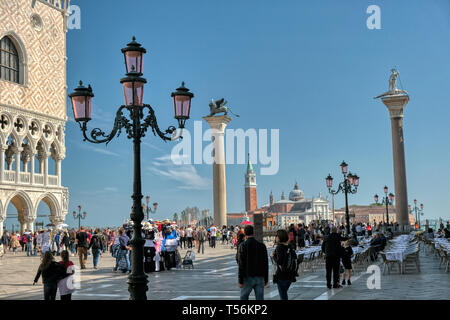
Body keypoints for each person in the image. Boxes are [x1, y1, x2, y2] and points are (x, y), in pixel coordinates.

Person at [237, 225, 269, 300]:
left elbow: (241, 264)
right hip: (260, 276)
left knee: (243, 297)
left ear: (245, 233)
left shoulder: (243, 245)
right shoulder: (262, 246)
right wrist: (266, 279)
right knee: (260, 298)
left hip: (247, 276)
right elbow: (265, 263)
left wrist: (240, 280)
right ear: (254, 233)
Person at [270, 229, 297, 300]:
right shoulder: (290, 246)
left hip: (281, 276)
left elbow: (279, 262)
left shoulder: (279, 247)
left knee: (283, 296)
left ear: (280, 237)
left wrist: (273, 256)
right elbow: (295, 258)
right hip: (290, 275)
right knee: (284, 294)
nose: (275, 237)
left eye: (276, 236)